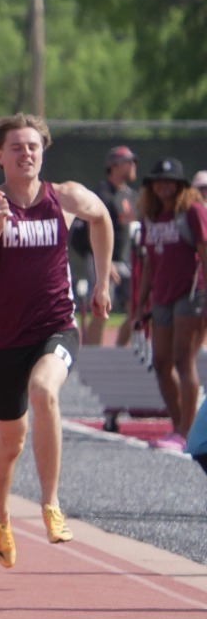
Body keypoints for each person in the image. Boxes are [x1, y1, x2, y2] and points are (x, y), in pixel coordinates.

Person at [0, 113, 113, 569]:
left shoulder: (65, 196)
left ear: (43, 153)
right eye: (17, 147)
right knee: (11, 443)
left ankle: (51, 504)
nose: (26, 154)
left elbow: (101, 218)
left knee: (45, 390)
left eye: (33, 147)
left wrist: (102, 282)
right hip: (3, 341)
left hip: (56, 326)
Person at [132, 158, 207, 452]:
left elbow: (204, 252)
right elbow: (150, 263)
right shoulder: (151, 215)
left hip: (190, 293)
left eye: (170, 181)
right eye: (159, 181)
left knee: (183, 360)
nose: (164, 186)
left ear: (180, 185)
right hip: (162, 296)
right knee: (161, 362)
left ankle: (186, 431)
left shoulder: (192, 211)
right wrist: (141, 304)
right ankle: (177, 426)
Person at [74, 147, 135, 347]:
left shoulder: (129, 195)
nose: (133, 166)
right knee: (101, 309)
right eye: (128, 161)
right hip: (103, 260)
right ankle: (93, 356)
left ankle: (119, 353)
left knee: (136, 310)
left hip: (125, 262)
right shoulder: (103, 194)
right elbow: (91, 230)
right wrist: (106, 264)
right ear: (114, 166)